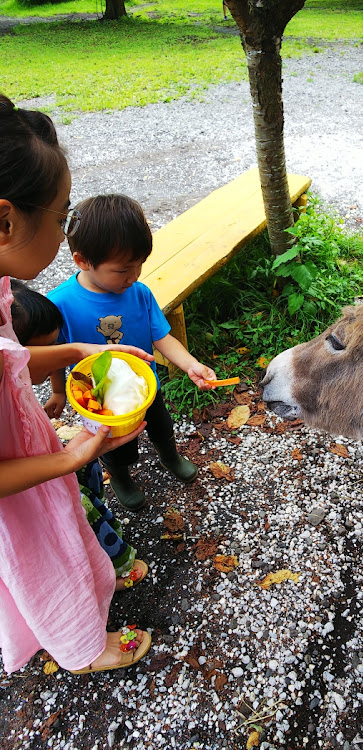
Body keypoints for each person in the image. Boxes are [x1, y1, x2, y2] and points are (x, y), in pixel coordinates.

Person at [0, 93, 151, 675]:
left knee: (66, 538)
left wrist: (78, 350)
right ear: (6, 219)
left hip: (33, 465)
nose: (66, 231)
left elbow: (12, 362)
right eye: (62, 214)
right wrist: (71, 460)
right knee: (42, 566)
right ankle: (82, 650)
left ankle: (86, 622)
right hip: (15, 498)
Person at [48, 194, 217, 512]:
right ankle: (122, 477)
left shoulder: (138, 293)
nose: (134, 276)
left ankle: (170, 457)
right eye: (123, 270)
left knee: (162, 426)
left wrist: (190, 364)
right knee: (112, 446)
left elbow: (161, 336)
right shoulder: (61, 304)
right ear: (83, 261)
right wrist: (58, 391)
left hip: (145, 388)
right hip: (100, 404)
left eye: (139, 265)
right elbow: (55, 354)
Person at [10, 279, 148, 592]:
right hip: (31, 492)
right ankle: (114, 566)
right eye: (44, 352)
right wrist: (69, 458)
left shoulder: (17, 380)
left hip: (52, 462)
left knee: (88, 480)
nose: (55, 360)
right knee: (82, 516)